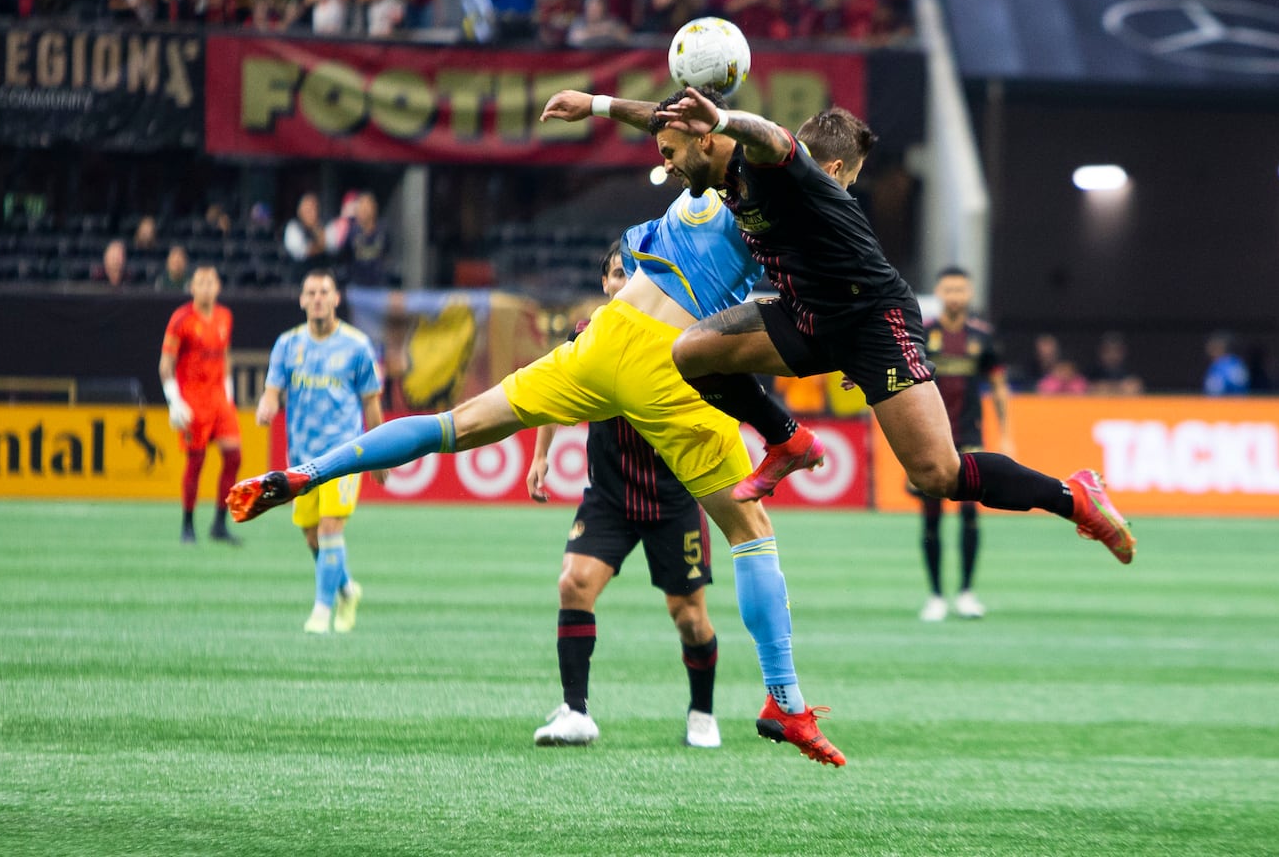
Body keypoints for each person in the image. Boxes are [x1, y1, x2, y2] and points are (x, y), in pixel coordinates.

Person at [229, 87, 848, 767]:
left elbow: (676, 122)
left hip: (607, 335)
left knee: (453, 425)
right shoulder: (778, 190)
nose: (667, 157)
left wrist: (601, 104)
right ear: (836, 169)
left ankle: (304, 472)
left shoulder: (700, 172)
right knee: (751, 535)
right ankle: (784, 700)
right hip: (671, 364)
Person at [649, 90, 1134, 566]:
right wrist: (596, 106)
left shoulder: (790, 171)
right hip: (810, 318)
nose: (668, 164)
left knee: (937, 473)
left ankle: (1074, 498)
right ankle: (787, 439)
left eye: (670, 153)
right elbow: (681, 134)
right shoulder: (733, 172)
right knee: (691, 352)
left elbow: (770, 137)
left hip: (873, 325)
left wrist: (724, 117)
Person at [526, 244, 721, 749]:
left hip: (672, 498)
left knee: (690, 617)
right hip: (610, 496)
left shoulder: (685, 336)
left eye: (635, 273)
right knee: (574, 584)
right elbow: (555, 389)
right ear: (606, 285)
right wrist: (540, 455)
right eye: (618, 273)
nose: (626, 281)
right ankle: (576, 711)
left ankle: (702, 711)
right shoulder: (587, 335)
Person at [258, 270, 385, 633]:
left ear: (335, 299)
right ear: (301, 300)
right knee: (312, 535)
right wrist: (267, 406)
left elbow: (371, 402)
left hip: (345, 454)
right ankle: (346, 589)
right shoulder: (287, 345)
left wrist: (379, 451)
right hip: (302, 459)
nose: (317, 298)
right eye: (310, 292)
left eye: (323, 291)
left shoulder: (357, 345)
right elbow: (272, 389)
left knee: (330, 529)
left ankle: (320, 611)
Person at [914, 266, 1013, 622]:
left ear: (969, 294)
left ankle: (967, 592)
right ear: (939, 292)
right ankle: (936, 595)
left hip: (970, 439)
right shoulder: (923, 335)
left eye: (961, 289)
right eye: (949, 288)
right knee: (931, 518)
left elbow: (999, 388)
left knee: (970, 515)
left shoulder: (982, 339)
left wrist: (1006, 436)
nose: (955, 295)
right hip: (930, 440)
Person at [159, 264, 242, 545]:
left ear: (218, 287)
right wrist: (174, 401)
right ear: (192, 287)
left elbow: (225, 355)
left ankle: (220, 522)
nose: (206, 287)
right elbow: (165, 365)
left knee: (234, 457)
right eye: (201, 282)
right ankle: (188, 523)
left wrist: (229, 392)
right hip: (193, 399)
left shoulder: (224, 316)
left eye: (211, 282)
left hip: (218, 398)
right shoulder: (181, 319)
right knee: (196, 463)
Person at [283, 192, 329, 272]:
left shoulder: (322, 226)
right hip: (299, 278)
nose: (313, 213)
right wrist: (321, 246)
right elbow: (304, 251)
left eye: (315, 208)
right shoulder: (293, 227)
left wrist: (317, 229)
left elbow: (331, 246)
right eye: (309, 210)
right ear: (300, 211)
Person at [1204, 332, 1250, 396]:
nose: (1210, 350)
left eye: (1214, 346)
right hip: (1239, 402)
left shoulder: (1220, 366)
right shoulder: (1237, 362)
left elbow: (1215, 391)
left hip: (1225, 403)